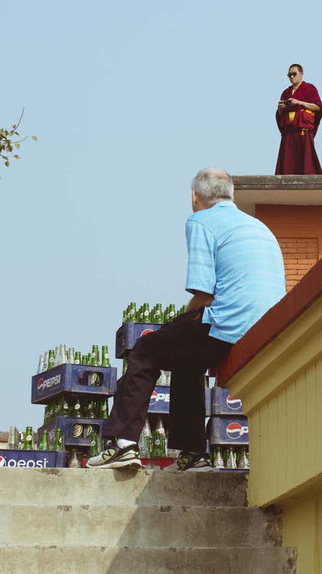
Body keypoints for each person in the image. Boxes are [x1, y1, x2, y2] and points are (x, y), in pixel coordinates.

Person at [87, 168, 286, 471]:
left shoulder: (201, 221)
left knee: (147, 348)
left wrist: (178, 320)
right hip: (267, 327)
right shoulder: (258, 227)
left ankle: (121, 443)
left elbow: (203, 295)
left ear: (194, 197)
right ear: (232, 195)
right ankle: (193, 453)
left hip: (231, 324)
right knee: (186, 354)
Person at [274, 64, 322, 175]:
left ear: (301, 74)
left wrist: (299, 102)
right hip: (289, 133)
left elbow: (318, 107)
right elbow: (279, 116)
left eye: (294, 74)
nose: (291, 77)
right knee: (287, 162)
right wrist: (281, 109)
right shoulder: (286, 93)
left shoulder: (309, 88)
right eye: (289, 75)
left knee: (306, 161)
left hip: (303, 130)